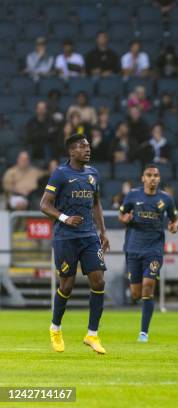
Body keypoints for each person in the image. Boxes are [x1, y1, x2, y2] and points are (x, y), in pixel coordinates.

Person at [40, 134, 109, 354]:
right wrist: (64, 218)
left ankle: (92, 335)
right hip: (65, 237)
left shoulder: (93, 174)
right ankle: (55, 328)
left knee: (98, 282)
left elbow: (96, 203)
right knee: (66, 286)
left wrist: (103, 231)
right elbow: (44, 204)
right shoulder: (61, 174)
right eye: (82, 147)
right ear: (71, 151)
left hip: (89, 236)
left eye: (88, 146)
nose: (87, 150)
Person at [118, 164, 178, 342]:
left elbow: (175, 219)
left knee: (148, 286)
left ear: (159, 179)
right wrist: (125, 218)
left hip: (154, 249)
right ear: (143, 178)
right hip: (133, 248)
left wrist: (174, 226)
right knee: (136, 292)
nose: (152, 178)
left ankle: (143, 332)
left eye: (155, 175)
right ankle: (140, 302)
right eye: (149, 175)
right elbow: (121, 214)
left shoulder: (166, 199)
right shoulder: (132, 196)